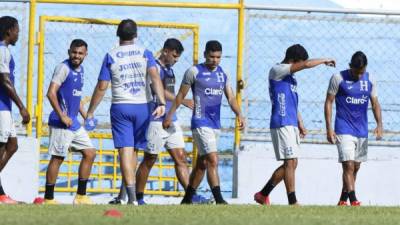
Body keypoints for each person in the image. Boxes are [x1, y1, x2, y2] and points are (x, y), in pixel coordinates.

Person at [109, 38, 209, 205]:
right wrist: (183, 100)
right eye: (174, 56)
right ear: (165, 51)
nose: (176, 60)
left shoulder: (169, 70)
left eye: (178, 57)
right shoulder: (153, 67)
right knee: (150, 159)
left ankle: (191, 196)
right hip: (155, 119)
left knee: (181, 158)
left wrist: (175, 108)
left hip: (171, 119)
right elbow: (158, 90)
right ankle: (138, 197)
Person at [86, 19, 166, 205]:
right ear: (136, 35)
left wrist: (90, 111)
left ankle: (130, 198)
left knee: (125, 151)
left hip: (121, 106)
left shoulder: (111, 55)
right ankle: (127, 197)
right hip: (143, 107)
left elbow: (101, 86)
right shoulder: (145, 53)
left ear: (117, 34)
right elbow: (155, 77)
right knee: (134, 152)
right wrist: (161, 102)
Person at [163, 40, 245, 204]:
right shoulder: (194, 72)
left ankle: (187, 200)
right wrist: (170, 115)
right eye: (212, 56)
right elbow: (180, 95)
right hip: (200, 122)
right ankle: (220, 200)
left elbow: (230, 97)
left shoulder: (223, 74)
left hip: (215, 124)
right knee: (213, 159)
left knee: (202, 164)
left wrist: (239, 114)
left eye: (218, 57)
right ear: (205, 54)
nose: (215, 60)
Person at [254, 44, 335, 205]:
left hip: (291, 122)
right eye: (299, 62)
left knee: (292, 163)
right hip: (281, 121)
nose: (300, 66)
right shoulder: (277, 70)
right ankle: (293, 201)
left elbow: (292, 102)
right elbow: (305, 65)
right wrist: (324, 60)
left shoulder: (290, 78)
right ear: (293, 60)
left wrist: (300, 122)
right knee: (290, 162)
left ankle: (263, 194)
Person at [324, 51, 382, 206]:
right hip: (343, 128)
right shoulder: (338, 78)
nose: (359, 75)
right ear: (351, 67)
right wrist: (329, 128)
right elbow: (329, 102)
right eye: (356, 72)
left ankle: (343, 200)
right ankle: (354, 199)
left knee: (355, 166)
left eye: (361, 72)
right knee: (348, 164)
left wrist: (379, 125)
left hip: (361, 130)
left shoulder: (370, 79)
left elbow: (375, 103)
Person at [44, 39, 96, 205]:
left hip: (73, 123)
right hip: (61, 122)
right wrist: (62, 116)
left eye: (80, 53)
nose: (77, 56)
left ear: (85, 55)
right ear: (69, 52)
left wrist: (86, 115)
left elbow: (76, 96)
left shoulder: (81, 70)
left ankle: (81, 196)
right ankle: (49, 199)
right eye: (74, 52)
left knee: (90, 153)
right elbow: (51, 93)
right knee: (58, 158)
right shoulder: (63, 68)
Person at [0, 16, 30, 204]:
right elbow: (4, 80)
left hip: (5, 107)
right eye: (17, 30)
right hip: (1, 107)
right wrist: (22, 106)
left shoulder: (5, 51)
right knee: (2, 146)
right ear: (9, 31)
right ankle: (1, 195)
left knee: (13, 145)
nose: (18, 33)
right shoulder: (2, 51)